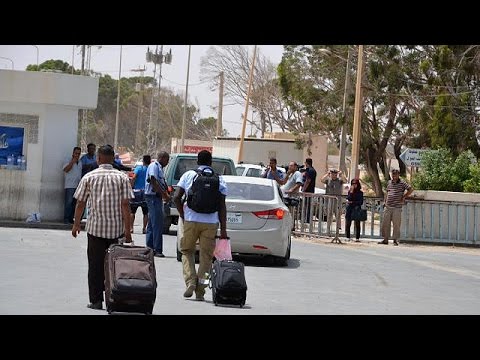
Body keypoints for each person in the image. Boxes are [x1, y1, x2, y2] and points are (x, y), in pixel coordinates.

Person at [71, 144, 133, 310]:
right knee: (115, 267)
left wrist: (76, 224)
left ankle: (96, 301)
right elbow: (126, 206)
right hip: (116, 231)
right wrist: (128, 233)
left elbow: (80, 203)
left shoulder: (89, 177)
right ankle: (114, 299)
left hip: (95, 230)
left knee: (95, 267)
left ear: (98, 158)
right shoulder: (122, 178)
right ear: (113, 159)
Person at [173, 150, 228, 302]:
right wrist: (223, 229)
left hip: (191, 219)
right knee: (206, 257)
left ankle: (190, 281)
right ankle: (200, 291)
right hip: (210, 222)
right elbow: (222, 206)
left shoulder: (189, 175)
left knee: (186, 250)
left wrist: (183, 215)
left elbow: (176, 197)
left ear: (198, 161)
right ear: (211, 162)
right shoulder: (219, 179)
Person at [144, 151, 170, 257]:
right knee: (158, 224)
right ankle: (157, 249)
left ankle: (150, 248)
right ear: (162, 158)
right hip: (153, 197)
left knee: (151, 223)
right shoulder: (154, 166)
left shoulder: (159, 168)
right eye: (167, 160)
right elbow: (153, 180)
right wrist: (164, 195)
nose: (167, 162)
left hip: (156, 197)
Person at [379, 169, 413, 246]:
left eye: (396, 174)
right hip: (388, 206)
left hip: (397, 207)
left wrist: (404, 197)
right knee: (385, 223)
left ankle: (395, 240)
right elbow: (387, 192)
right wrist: (385, 201)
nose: (394, 176)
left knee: (396, 224)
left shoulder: (402, 183)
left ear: (398, 175)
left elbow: (410, 189)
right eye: (393, 174)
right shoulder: (389, 182)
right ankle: (385, 239)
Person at [321, 168, 346, 233]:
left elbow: (345, 180)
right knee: (329, 214)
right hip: (329, 200)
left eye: (335, 174)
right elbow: (322, 180)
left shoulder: (339, 180)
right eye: (332, 174)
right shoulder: (328, 180)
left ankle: (338, 229)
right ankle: (328, 228)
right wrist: (327, 174)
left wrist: (341, 174)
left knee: (338, 215)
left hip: (337, 200)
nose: (333, 175)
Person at [130, 154, 150, 234]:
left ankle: (131, 228)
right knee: (145, 212)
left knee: (132, 211)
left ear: (143, 161)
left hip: (136, 192)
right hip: (146, 192)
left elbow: (134, 177)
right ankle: (144, 228)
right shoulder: (149, 169)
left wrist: (131, 186)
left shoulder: (139, 168)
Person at [62, 146, 82, 224]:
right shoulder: (67, 160)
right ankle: (66, 218)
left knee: (74, 203)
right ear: (73, 153)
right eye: (76, 153)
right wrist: (72, 162)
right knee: (68, 203)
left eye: (79, 154)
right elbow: (65, 169)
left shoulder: (80, 162)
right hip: (70, 185)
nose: (77, 155)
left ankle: (71, 218)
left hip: (77, 185)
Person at [302, 158, 317, 223]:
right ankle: (306, 219)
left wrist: (303, 189)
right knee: (306, 206)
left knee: (307, 206)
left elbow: (308, 181)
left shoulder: (311, 171)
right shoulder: (309, 170)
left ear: (306, 163)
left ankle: (307, 220)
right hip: (308, 191)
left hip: (308, 191)